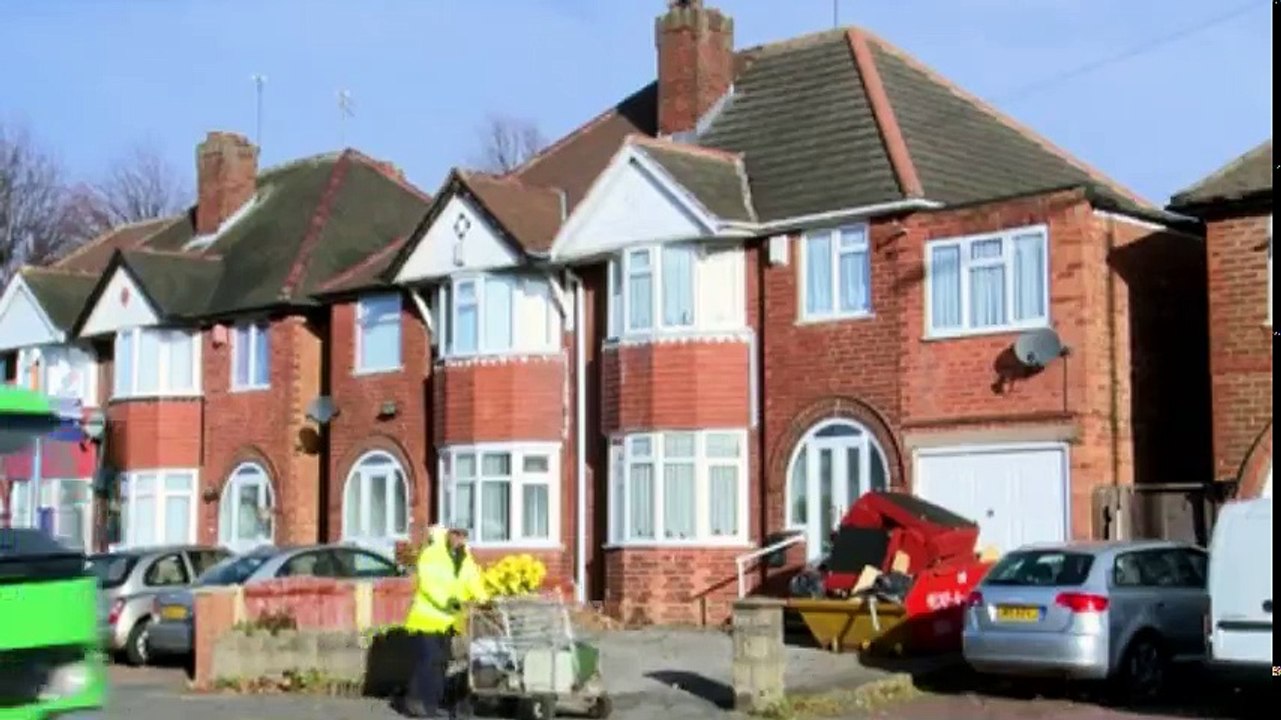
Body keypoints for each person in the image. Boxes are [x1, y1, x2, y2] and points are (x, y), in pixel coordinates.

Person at [400, 526, 488, 719]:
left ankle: (431, 704)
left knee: (441, 662)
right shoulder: (432, 554)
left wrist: (484, 599)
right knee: (429, 659)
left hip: (448, 621)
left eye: (464, 535)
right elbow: (429, 583)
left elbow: (472, 581)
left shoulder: (465, 558)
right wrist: (447, 601)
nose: (460, 538)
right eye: (456, 534)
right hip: (427, 618)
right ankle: (415, 701)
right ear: (448, 534)